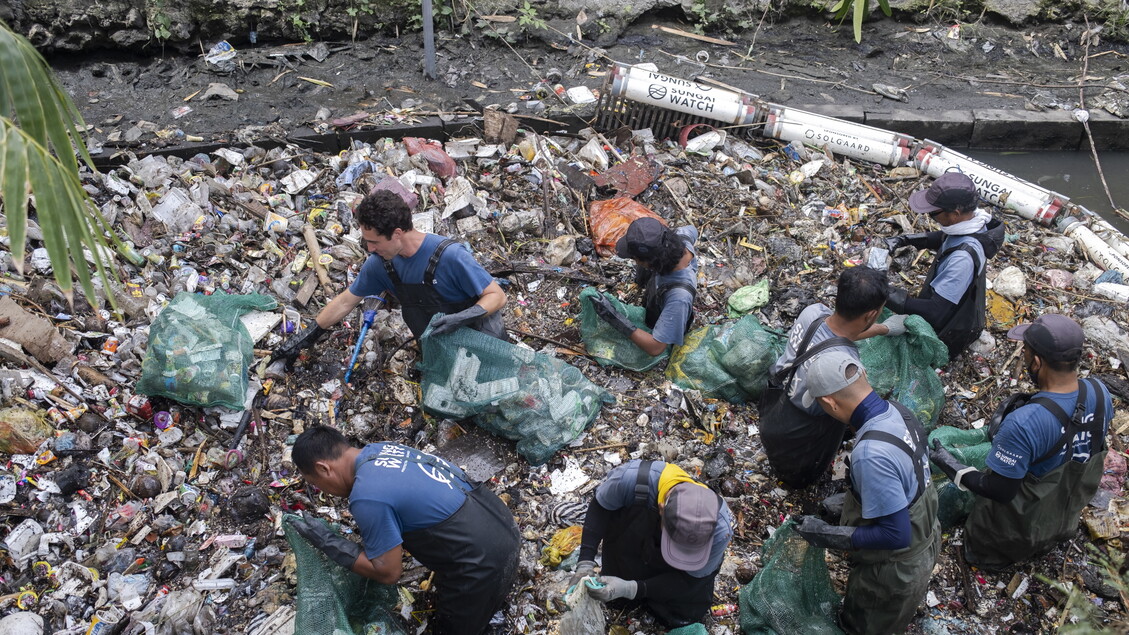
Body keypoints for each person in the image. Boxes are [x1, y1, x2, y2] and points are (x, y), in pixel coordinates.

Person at [289, 426, 520, 635]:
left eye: (317, 483)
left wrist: (327, 541)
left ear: (323, 468)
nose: (324, 491)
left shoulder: (366, 495)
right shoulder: (379, 450)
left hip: (483, 562)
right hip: (502, 524)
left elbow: (388, 573)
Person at [930, 314, 1113, 571]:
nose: (1023, 358)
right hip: (1065, 516)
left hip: (1020, 530)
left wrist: (953, 467)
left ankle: (986, 559)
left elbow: (999, 490)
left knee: (985, 536)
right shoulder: (1099, 391)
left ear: (1037, 362)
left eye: (1025, 352)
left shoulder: (1024, 422)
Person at [793, 351, 940, 634]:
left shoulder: (870, 454)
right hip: (927, 538)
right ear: (864, 376)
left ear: (829, 403)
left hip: (893, 571)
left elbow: (896, 534)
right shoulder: (898, 411)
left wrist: (828, 535)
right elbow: (908, 479)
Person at [274, 189, 507, 365]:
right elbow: (345, 301)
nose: (370, 248)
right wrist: (303, 339)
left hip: (484, 345)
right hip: (439, 352)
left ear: (397, 233)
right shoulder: (380, 266)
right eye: (366, 241)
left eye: (374, 242)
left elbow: (496, 296)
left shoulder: (450, 256)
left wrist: (461, 318)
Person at [760, 266, 907, 488]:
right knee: (805, 474)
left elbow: (838, 333)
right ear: (871, 314)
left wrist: (881, 329)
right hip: (804, 437)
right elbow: (854, 413)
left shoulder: (813, 312)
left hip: (776, 411)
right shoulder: (843, 365)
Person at [570, 459, 734, 629]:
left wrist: (632, 588)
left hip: (679, 576)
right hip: (634, 541)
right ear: (662, 508)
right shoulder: (630, 479)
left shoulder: (721, 529)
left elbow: (688, 581)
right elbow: (600, 507)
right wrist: (585, 563)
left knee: (686, 612)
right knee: (616, 599)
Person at [884, 171, 1004, 360]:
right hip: (956, 310)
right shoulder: (973, 223)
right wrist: (904, 239)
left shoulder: (962, 259)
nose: (930, 216)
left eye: (933, 213)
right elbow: (945, 238)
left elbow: (935, 313)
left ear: (955, 214)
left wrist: (883, 293)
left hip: (949, 333)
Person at [589, 218, 699, 356]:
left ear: (651, 261)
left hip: (663, 321)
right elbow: (693, 230)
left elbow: (656, 348)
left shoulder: (678, 297)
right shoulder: (678, 238)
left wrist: (615, 319)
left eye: (635, 259)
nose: (634, 261)